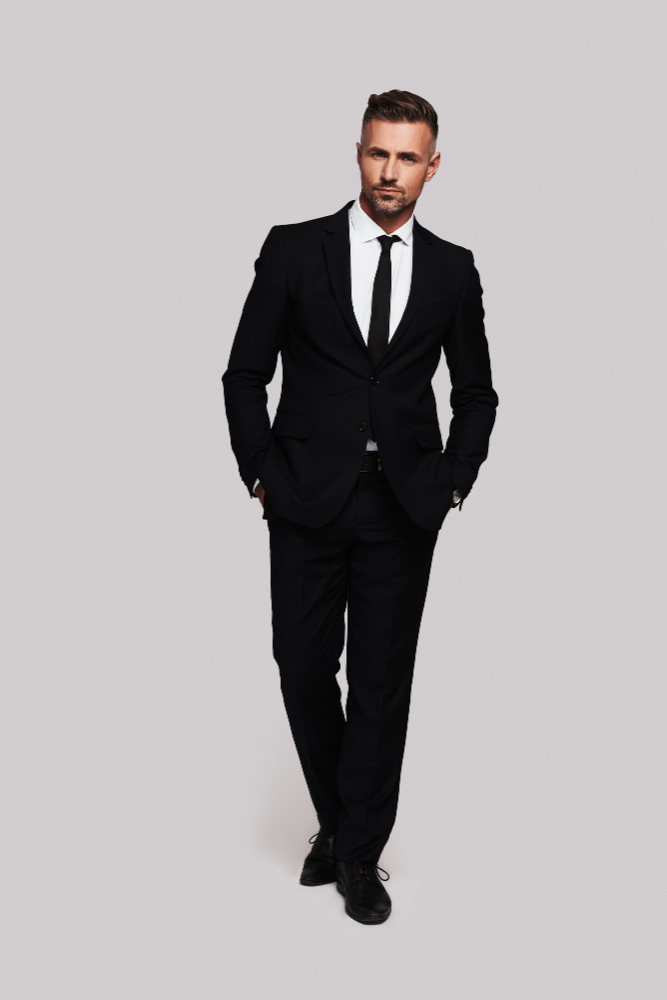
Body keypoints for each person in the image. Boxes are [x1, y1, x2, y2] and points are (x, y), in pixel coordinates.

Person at [222, 89, 499, 925]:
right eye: (379, 152)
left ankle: (356, 855)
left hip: (401, 504)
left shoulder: (452, 268)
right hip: (304, 496)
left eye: (407, 157)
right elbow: (244, 373)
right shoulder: (294, 248)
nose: (390, 171)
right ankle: (342, 823)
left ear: (431, 167)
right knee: (301, 665)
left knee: (380, 683)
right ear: (357, 153)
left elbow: (476, 392)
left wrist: (452, 480)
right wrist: (260, 472)